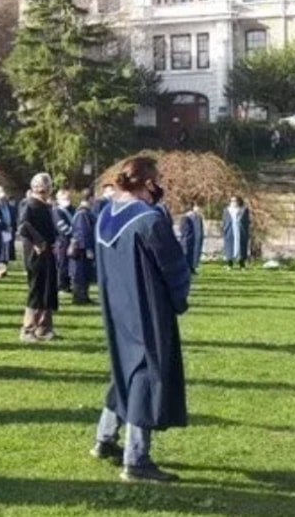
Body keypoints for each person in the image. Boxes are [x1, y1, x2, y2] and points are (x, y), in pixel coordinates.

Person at [91, 156, 190, 483]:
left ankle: (104, 438)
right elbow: (174, 267)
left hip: (117, 306)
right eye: (156, 179)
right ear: (147, 182)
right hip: (147, 308)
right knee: (146, 374)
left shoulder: (105, 215)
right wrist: (179, 299)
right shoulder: (148, 221)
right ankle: (137, 459)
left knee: (125, 367)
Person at [18, 173, 60, 342]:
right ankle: (28, 329)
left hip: (49, 252)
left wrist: (54, 241)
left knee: (48, 289)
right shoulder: (29, 204)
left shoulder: (46, 206)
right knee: (37, 290)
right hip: (36, 253)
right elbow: (23, 226)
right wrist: (39, 242)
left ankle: (44, 327)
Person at [69, 190, 97, 305]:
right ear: (90, 198)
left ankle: (84, 296)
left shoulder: (85, 212)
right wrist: (88, 249)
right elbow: (83, 232)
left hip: (83, 249)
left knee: (85, 273)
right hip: (81, 250)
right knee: (80, 273)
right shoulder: (83, 213)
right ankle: (79, 297)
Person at [52, 189, 75, 292]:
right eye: (64, 199)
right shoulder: (57, 211)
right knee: (62, 263)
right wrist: (72, 232)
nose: (67, 200)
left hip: (70, 240)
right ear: (58, 199)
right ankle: (61, 285)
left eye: (68, 198)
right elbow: (61, 226)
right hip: (62, 240)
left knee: (68, 263)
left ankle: (67, 284)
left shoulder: (71, 210)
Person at [222, 196, 251, 270]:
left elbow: (247, 221)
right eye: (232, 201)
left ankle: (242, 265)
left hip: (240, 231)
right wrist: (225, 229)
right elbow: (225, 221)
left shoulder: (243, 210)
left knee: (241, 248)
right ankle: (229, 264)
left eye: (235, 201)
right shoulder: (227, 210)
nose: (233, 203)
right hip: (230, 230)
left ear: (239, 201)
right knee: (230, 247)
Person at [178, 201, 205, 276]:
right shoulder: (186, 217)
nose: (199, 208)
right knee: (187, 254)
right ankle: (187, 269)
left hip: (195, 239)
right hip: (188, 240)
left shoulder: (198, 217)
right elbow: (184, 230)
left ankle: (192, 267)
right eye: (197, 206)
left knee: (194, 254)